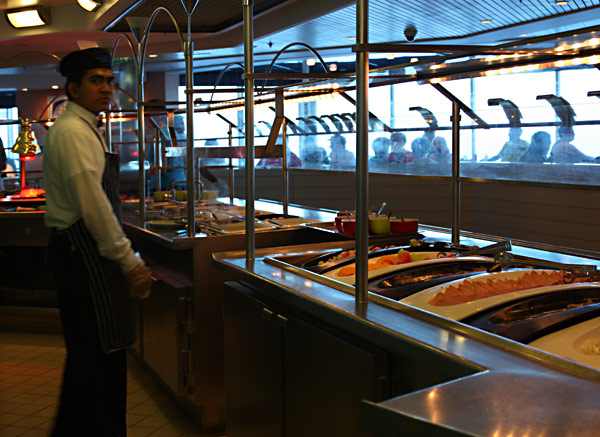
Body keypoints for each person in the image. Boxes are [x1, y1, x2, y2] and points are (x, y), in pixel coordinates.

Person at [43, 48, 152, 437]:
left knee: (88, 365)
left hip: (84, 252)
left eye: (109, 80)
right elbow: (94, 205)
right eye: (96, 80)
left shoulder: (85, 126)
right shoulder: (73, 132)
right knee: (98, 365)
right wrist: (130, 262)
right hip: (82, 255)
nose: (106, 88)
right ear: (73, 89)